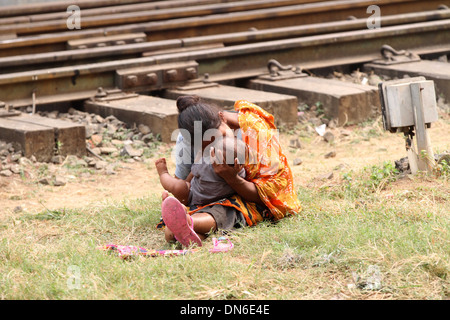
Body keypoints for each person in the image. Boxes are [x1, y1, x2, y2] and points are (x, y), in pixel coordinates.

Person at [158, 95, 302, 247]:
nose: (214, 150)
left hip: (242, 199)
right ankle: (186, 228)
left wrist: (232, 178)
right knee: (181, 223)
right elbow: (186, 182)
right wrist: (179, 195)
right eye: (205, 149)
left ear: (222, 118)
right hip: (203, 202)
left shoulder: (257, 133)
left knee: (227, 211)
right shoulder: (188, 138)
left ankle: (189, 222)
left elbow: (270, 197)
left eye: (218, 138)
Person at [155, 136, 247, 207]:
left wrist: (186, 183)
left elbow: (193, 172)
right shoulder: (241, 173)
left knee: (178, 186)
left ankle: (163, 173)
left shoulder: (206, 165)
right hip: (220, 204)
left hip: (194, 198)